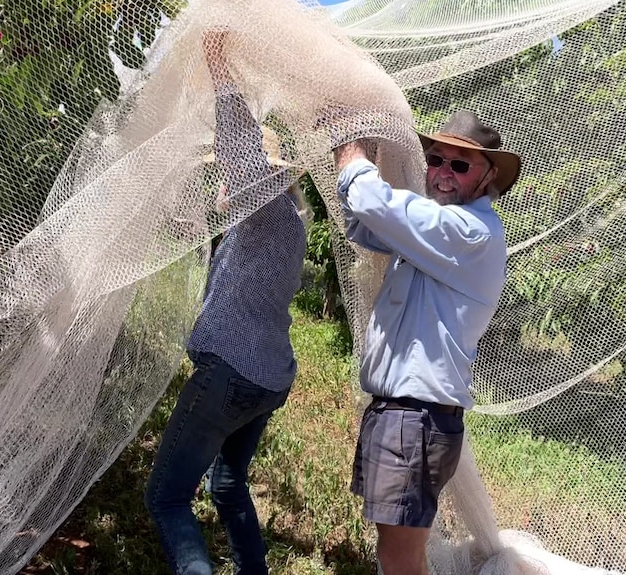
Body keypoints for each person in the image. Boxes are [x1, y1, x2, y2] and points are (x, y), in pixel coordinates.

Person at [145, 29, 306, 575]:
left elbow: (239, 140)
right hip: (268, 379)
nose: (222, 176)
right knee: (230, 485)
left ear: (261, 174)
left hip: (231, 377)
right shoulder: (289, 222)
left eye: (228, 170)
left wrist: (217, 62)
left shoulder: (263, 210)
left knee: (166, 499)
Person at [332, 110, 521, 575]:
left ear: (488, 177)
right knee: (395, 553)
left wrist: (345, 137)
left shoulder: (468, 232)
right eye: (435, 159)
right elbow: (362, 223)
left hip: (414, 419)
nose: (441, 173)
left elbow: (369, 201)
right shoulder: (438, 229)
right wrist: (365, 150)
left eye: (460, 165)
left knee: (400, 562)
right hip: (403, 416)